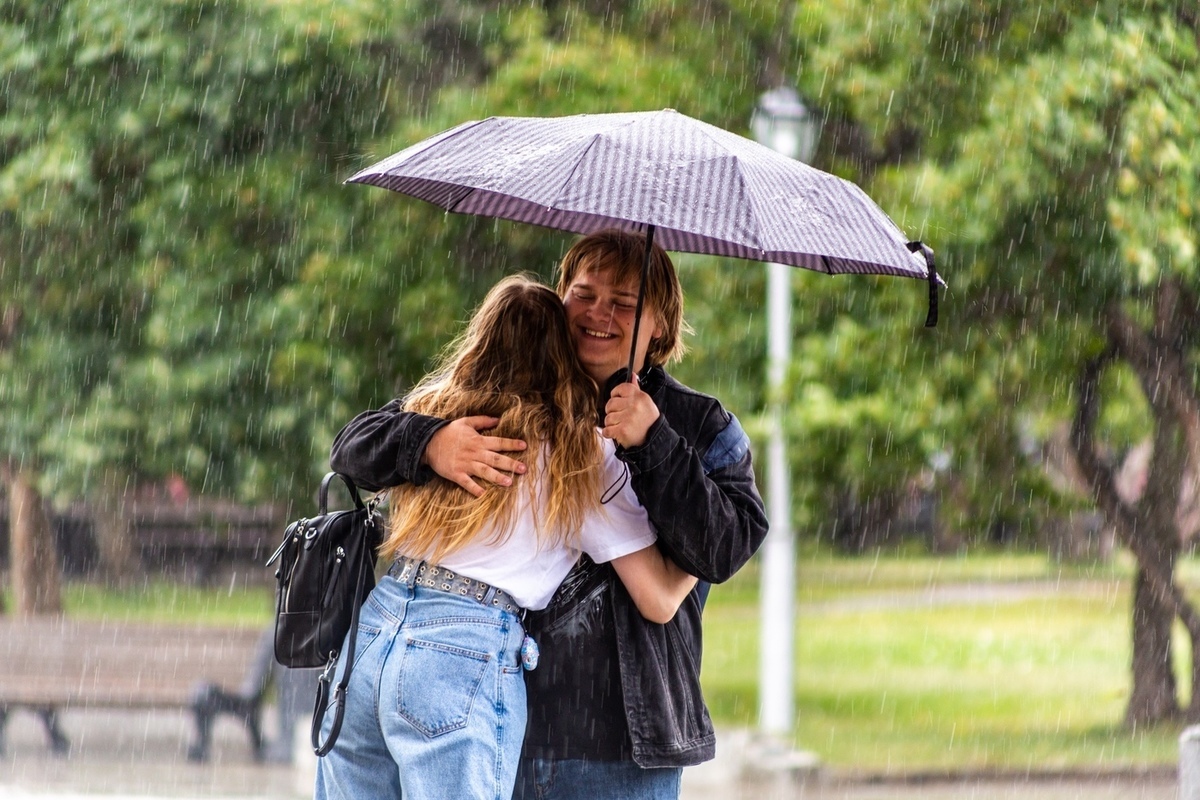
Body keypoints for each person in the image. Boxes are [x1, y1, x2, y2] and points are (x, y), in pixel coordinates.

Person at [330, 229, 769, 800]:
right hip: (491, 696)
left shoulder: (699, 427)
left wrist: (655, 442)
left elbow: (723, 549)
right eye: (584, 293)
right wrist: (429, 444)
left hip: (610, 740)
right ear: (560, 297)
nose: (599, 313)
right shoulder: (493, 413)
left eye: (625, 303)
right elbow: (353, 447)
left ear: (659, 323)